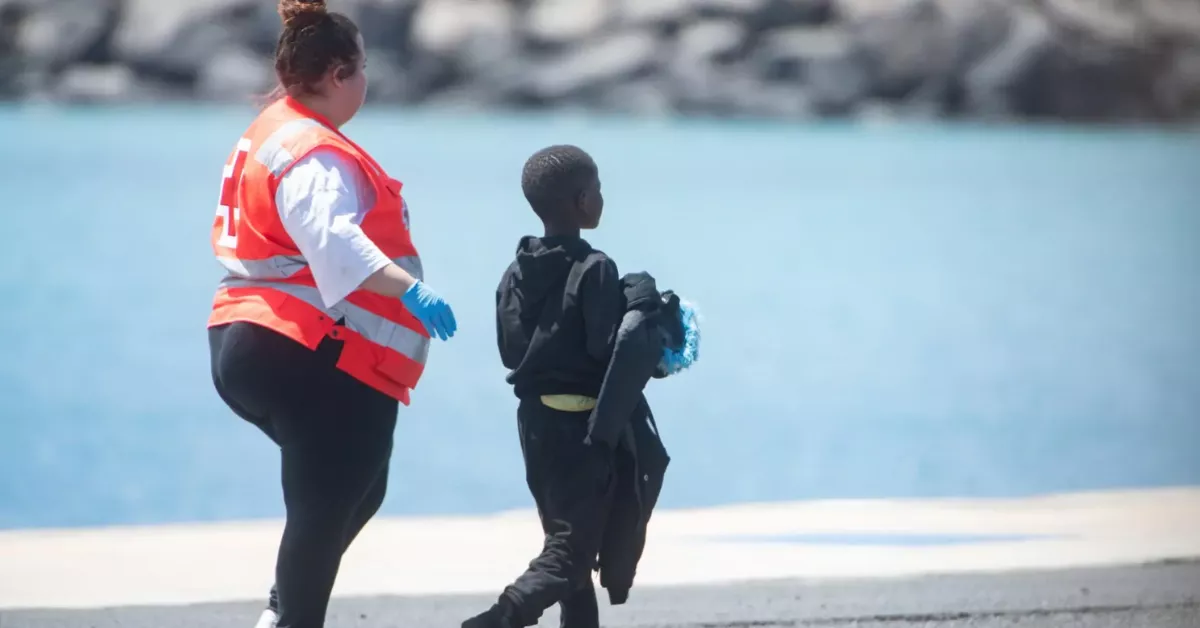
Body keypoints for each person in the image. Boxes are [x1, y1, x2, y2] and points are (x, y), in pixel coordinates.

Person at [205, 2, 456, 627]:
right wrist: (409, 290)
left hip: (247, 338)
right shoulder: (316, 153)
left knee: (358, 491)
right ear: (339, 74)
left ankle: (281, 612)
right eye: (362, 68)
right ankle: (291, 620)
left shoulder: (274, 126)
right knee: (326, 501)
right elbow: (332, 240)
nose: (366, 82)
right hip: (303, 345)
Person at [462, 144, 636, 628]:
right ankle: (500, 617)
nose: (602, 198)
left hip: (535, 425)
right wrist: (638, 314)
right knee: (571, 553)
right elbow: (607, 350)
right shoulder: (595, 267)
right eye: (598, 189)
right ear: (582, 201)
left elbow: (509, 352)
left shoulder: (514, 271)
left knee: (565, 543)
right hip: (582, 427)